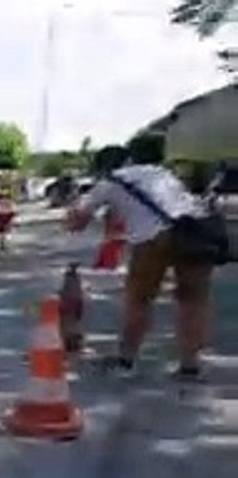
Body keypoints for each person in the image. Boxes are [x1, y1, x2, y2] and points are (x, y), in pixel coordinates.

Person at [67, 133, 213, 380]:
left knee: (139, 299)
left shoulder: (114, 180)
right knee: (193, 301)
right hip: (195, 232)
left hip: (153, 239)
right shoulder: (166, 175)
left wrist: (75, 209)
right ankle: (190, 364)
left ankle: (126, 360)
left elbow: (77, 222)